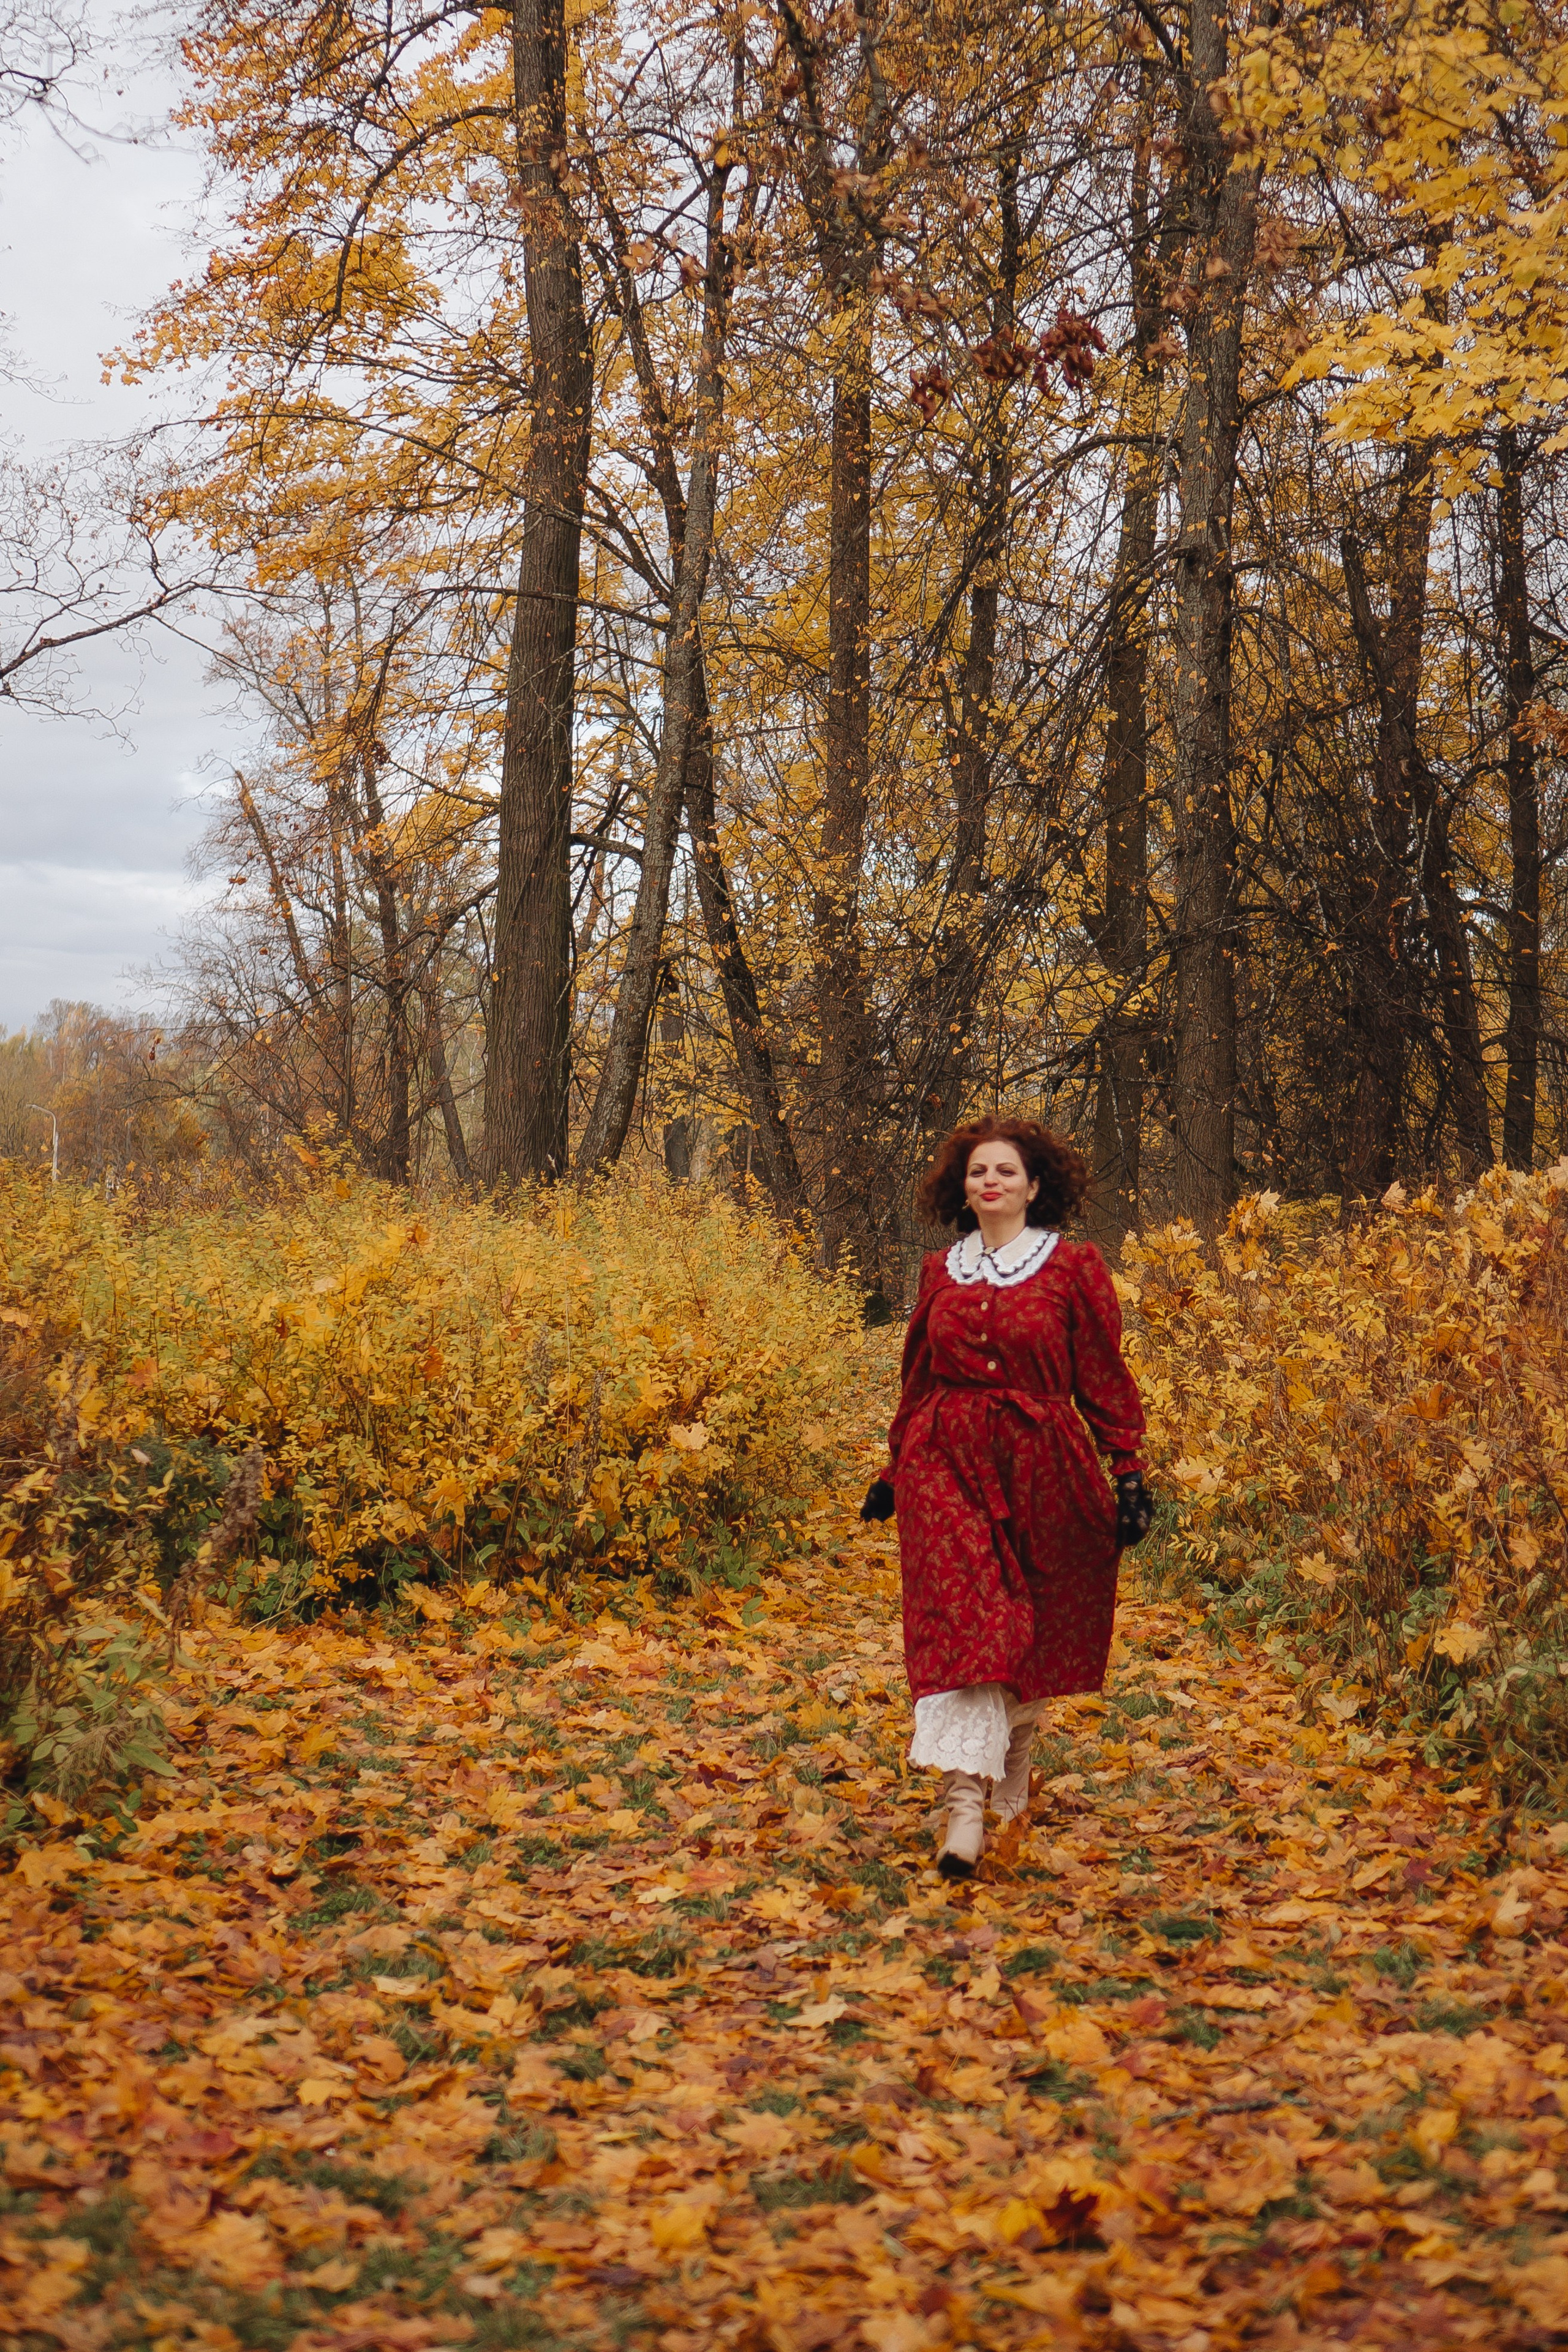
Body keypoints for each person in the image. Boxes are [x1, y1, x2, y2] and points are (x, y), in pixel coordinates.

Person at [861, 1117, 1153, 1879]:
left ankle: (1011, 1772)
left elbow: (1100, 1371)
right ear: (962, 1188)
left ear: (1034, 1185)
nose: (990, 1182)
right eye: (977, 1172)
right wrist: (894, 1470)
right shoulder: (940, 1271)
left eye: (1006, 1172)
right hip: (944, 1459)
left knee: (1031, 1626)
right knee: (966, 1625)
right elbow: (918, 1376)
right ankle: (963, 1808)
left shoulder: (1071, 1268)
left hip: (1042, 1462)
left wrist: (1127, 1468)